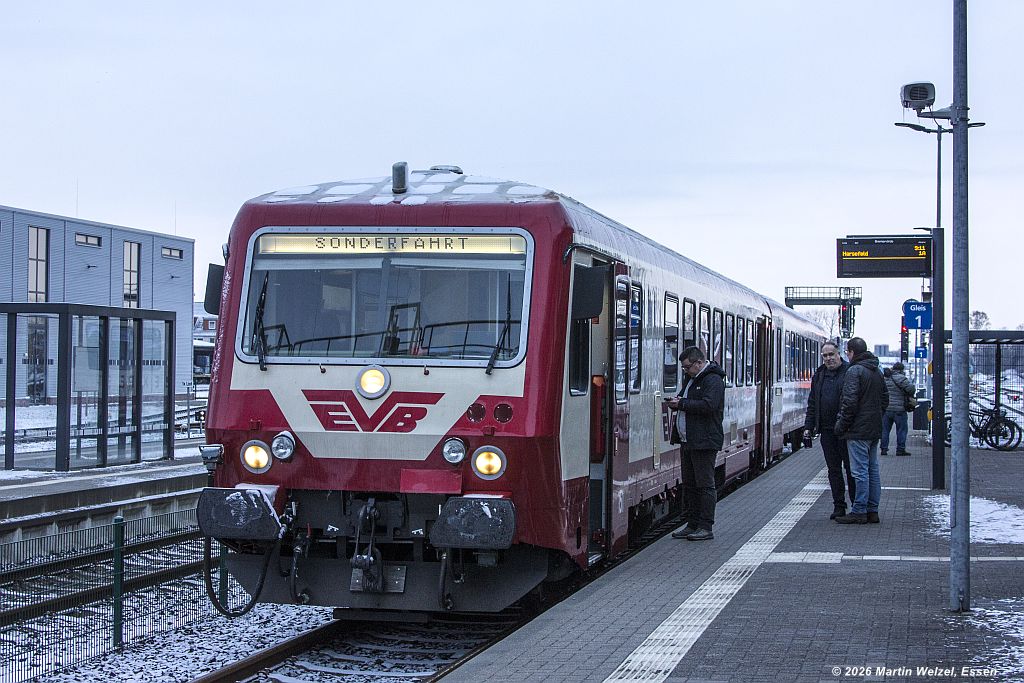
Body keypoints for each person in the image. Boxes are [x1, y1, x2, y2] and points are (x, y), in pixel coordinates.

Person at [667, 346, 726, 541]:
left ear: (699, 363)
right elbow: (687, 399)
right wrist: (677, 401)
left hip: (705, 440)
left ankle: (706, 527)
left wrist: (681, 404)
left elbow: (709, 405)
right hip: (689, 440)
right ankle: (692, 524)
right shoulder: (692, 379)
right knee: (690, 485)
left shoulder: (713, 380)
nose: (685, 371)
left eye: (687, 367)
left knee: (705, 485)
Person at [833, 337, 888, 525]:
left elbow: (849, 403)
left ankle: (859, 510)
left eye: (847, 352)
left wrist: (841, 426)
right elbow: (885, 399)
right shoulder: (877, 371)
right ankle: (873, 510)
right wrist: (875, 416)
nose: (846, 356)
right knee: (873, 470)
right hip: (874, 429)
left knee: (859, 472)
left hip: (857, 430)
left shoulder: (854, 371)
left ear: (852, 352)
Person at [802, 342, 855, 519]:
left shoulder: (849, 372)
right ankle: (839, 505)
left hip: (847, 430)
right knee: (833, 470)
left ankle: (856, 505)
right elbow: (813, 403)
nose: (828, 358)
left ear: (839, 354)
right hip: (827, 430)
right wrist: (808, 426)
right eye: (825, 356)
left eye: (831, 354)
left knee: (851, 469)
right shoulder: (819, 375)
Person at [881, 362, 915, 456]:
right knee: (901, 430)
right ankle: (900, 450)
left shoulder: (885, 378)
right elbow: (911, 390)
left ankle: (884, 449)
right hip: (900, 409)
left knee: (885, 430)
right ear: (901, 370)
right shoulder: (902, 378)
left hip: (887, 409)